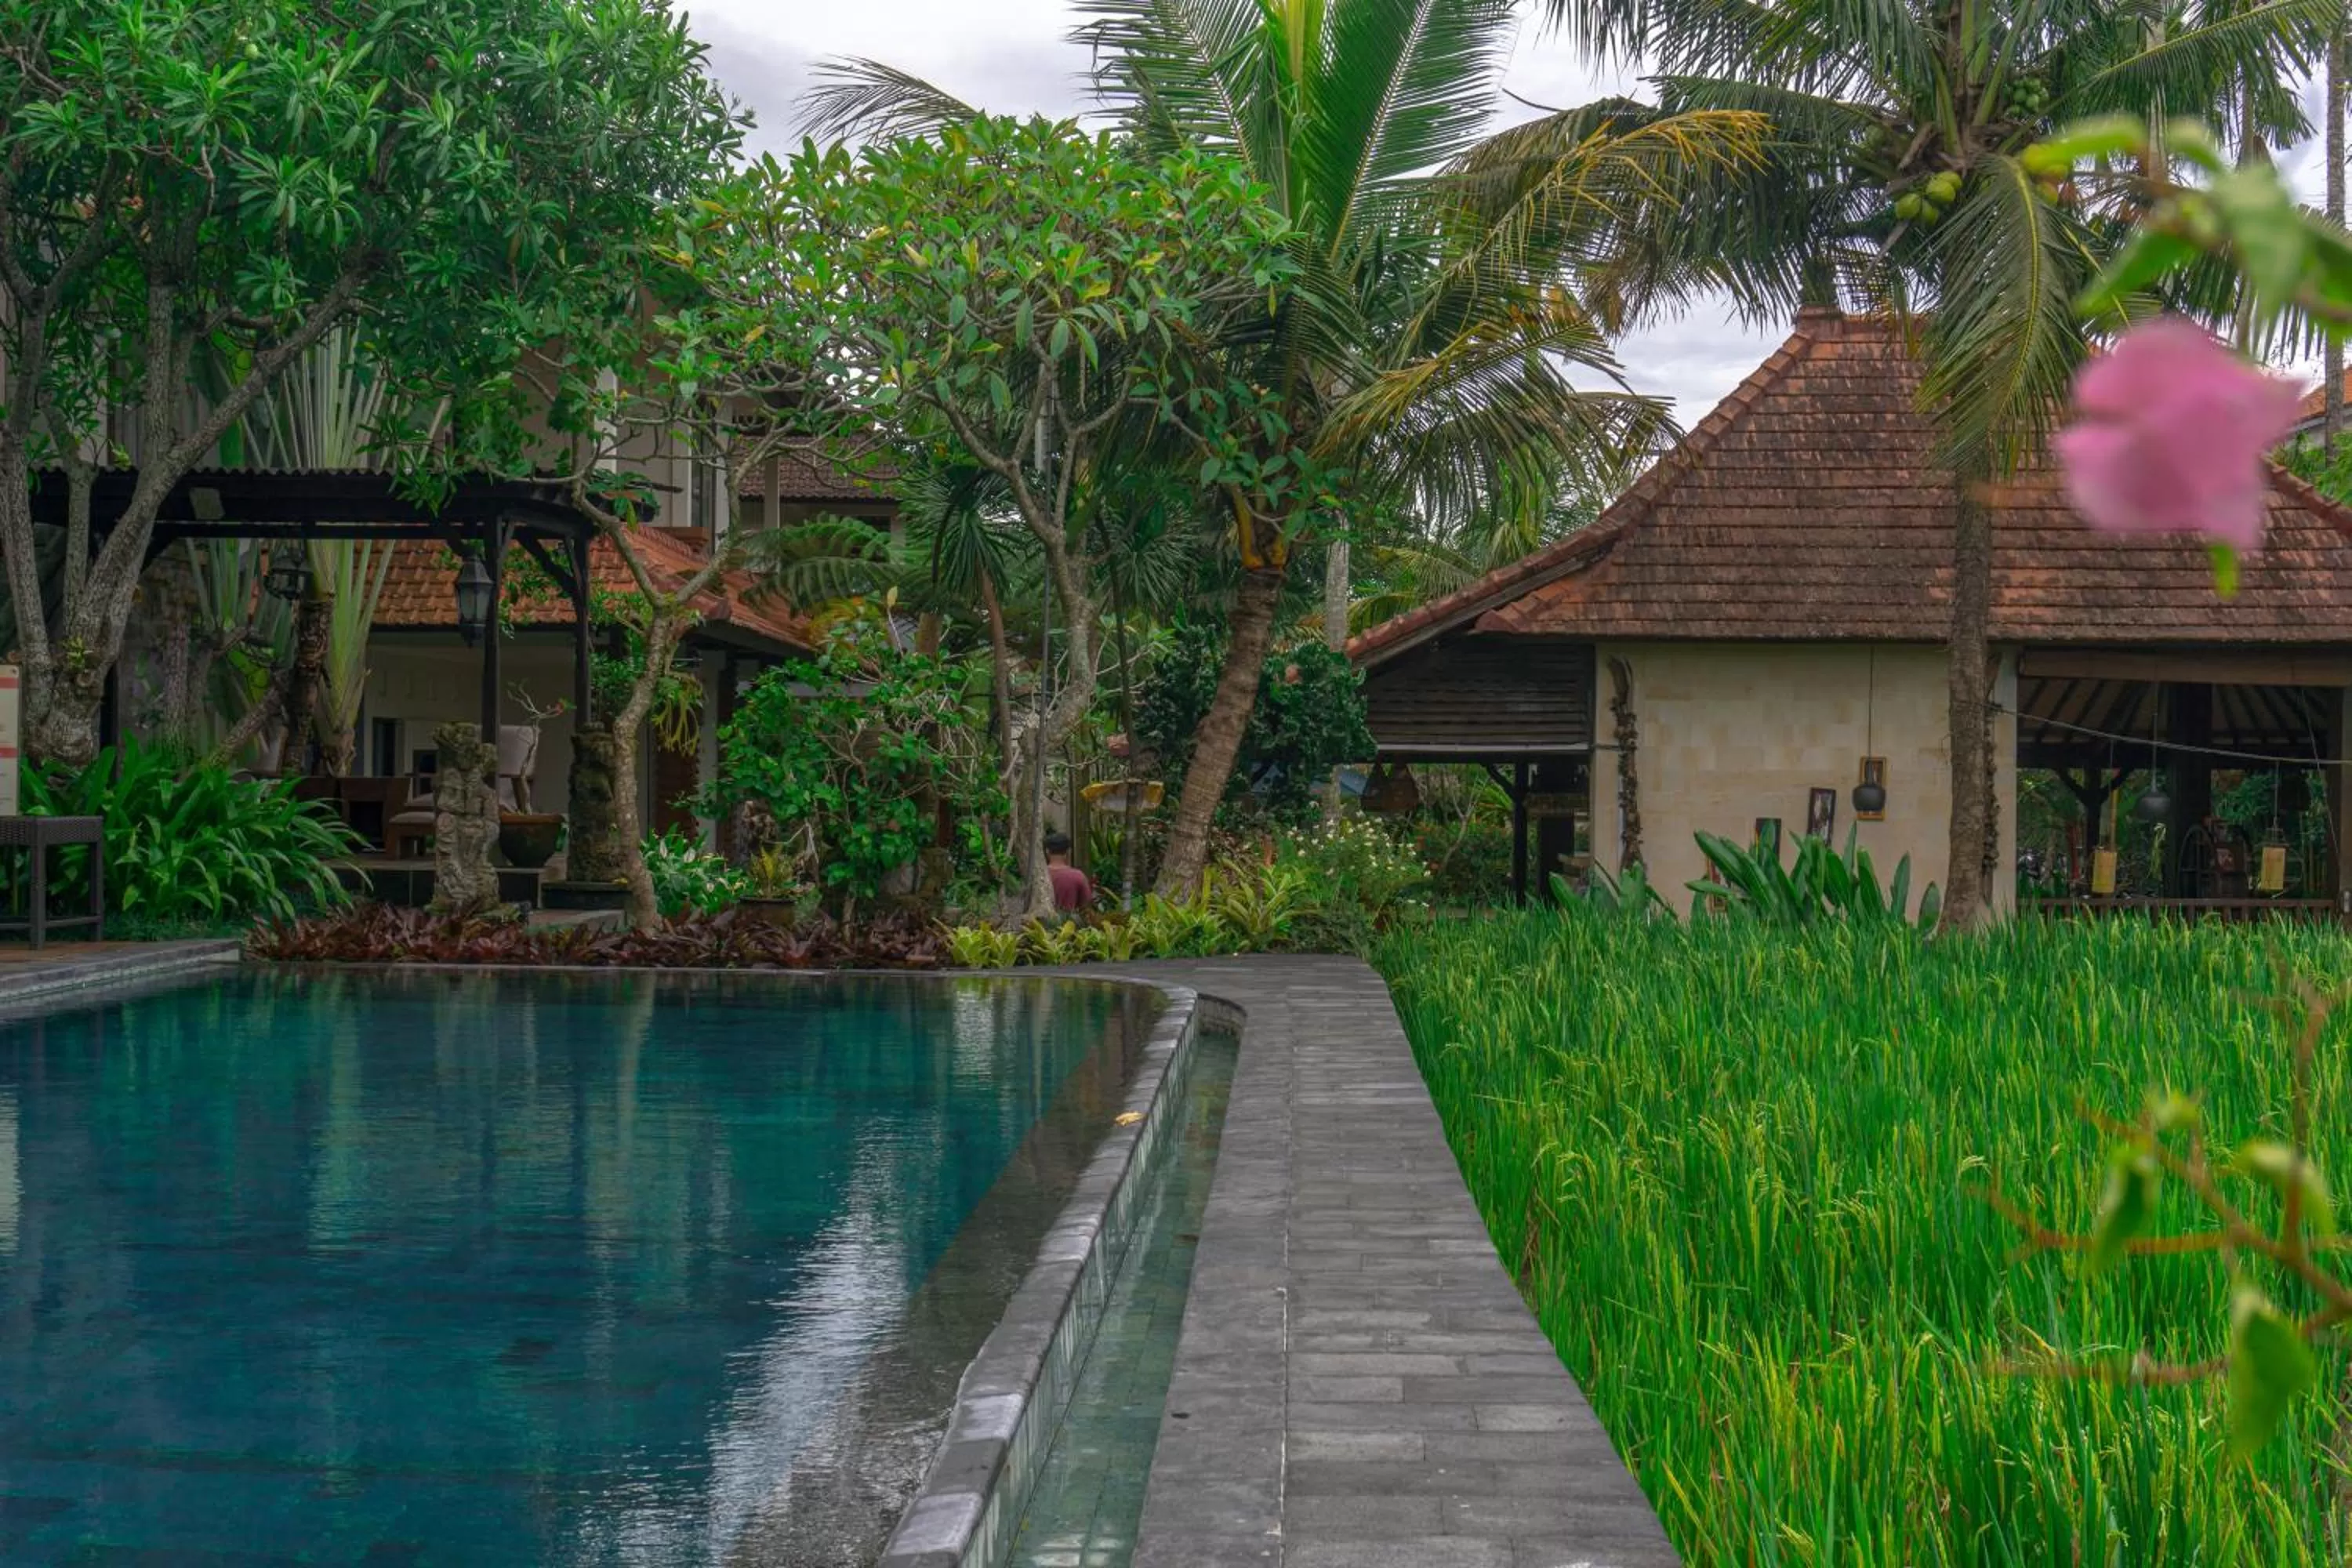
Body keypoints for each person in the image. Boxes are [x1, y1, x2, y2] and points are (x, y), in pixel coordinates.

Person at [1044, 831, 1094, 912]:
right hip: (1070, 919)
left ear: (1047, 851)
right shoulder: (1078, 876)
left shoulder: (1039, 876)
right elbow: (1087, 906)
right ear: (1069, 851)